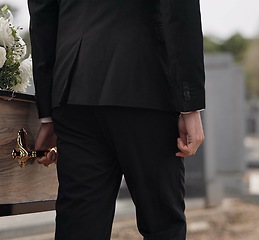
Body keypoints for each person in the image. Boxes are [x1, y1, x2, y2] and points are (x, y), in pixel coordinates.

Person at [28, 0, 205, 239]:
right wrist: (190, 104)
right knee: (163, 225)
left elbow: (42, 15)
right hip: (145, 83)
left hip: (74, 88)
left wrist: (47, 113)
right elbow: (180, 10)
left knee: (80, 226)